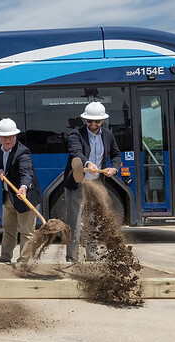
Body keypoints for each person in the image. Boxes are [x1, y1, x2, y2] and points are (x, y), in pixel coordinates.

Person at [63, 102, 121, 262]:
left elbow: (116, 155)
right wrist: (88, 163)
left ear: (103, 120)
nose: (93, 124)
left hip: (96, 184)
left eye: (97, 121)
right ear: (85, 120)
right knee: (75, 223)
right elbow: (75, 152)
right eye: (90, 121)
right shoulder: (76, 135)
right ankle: (72, 258)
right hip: (78, 184)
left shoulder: (108, 135)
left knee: (94, 221)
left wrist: (114, 169)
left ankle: (92, 257)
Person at [0, 118, 42, 263]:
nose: (8, 140)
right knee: (8, 230)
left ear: (15, 136)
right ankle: (4, 258)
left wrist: (23, 187)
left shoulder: (22, 152)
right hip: (8, 197)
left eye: (11, 136)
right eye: (5, 137)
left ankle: (24, 262)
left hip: (26, 197)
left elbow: (26, 172)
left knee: (26, 232)